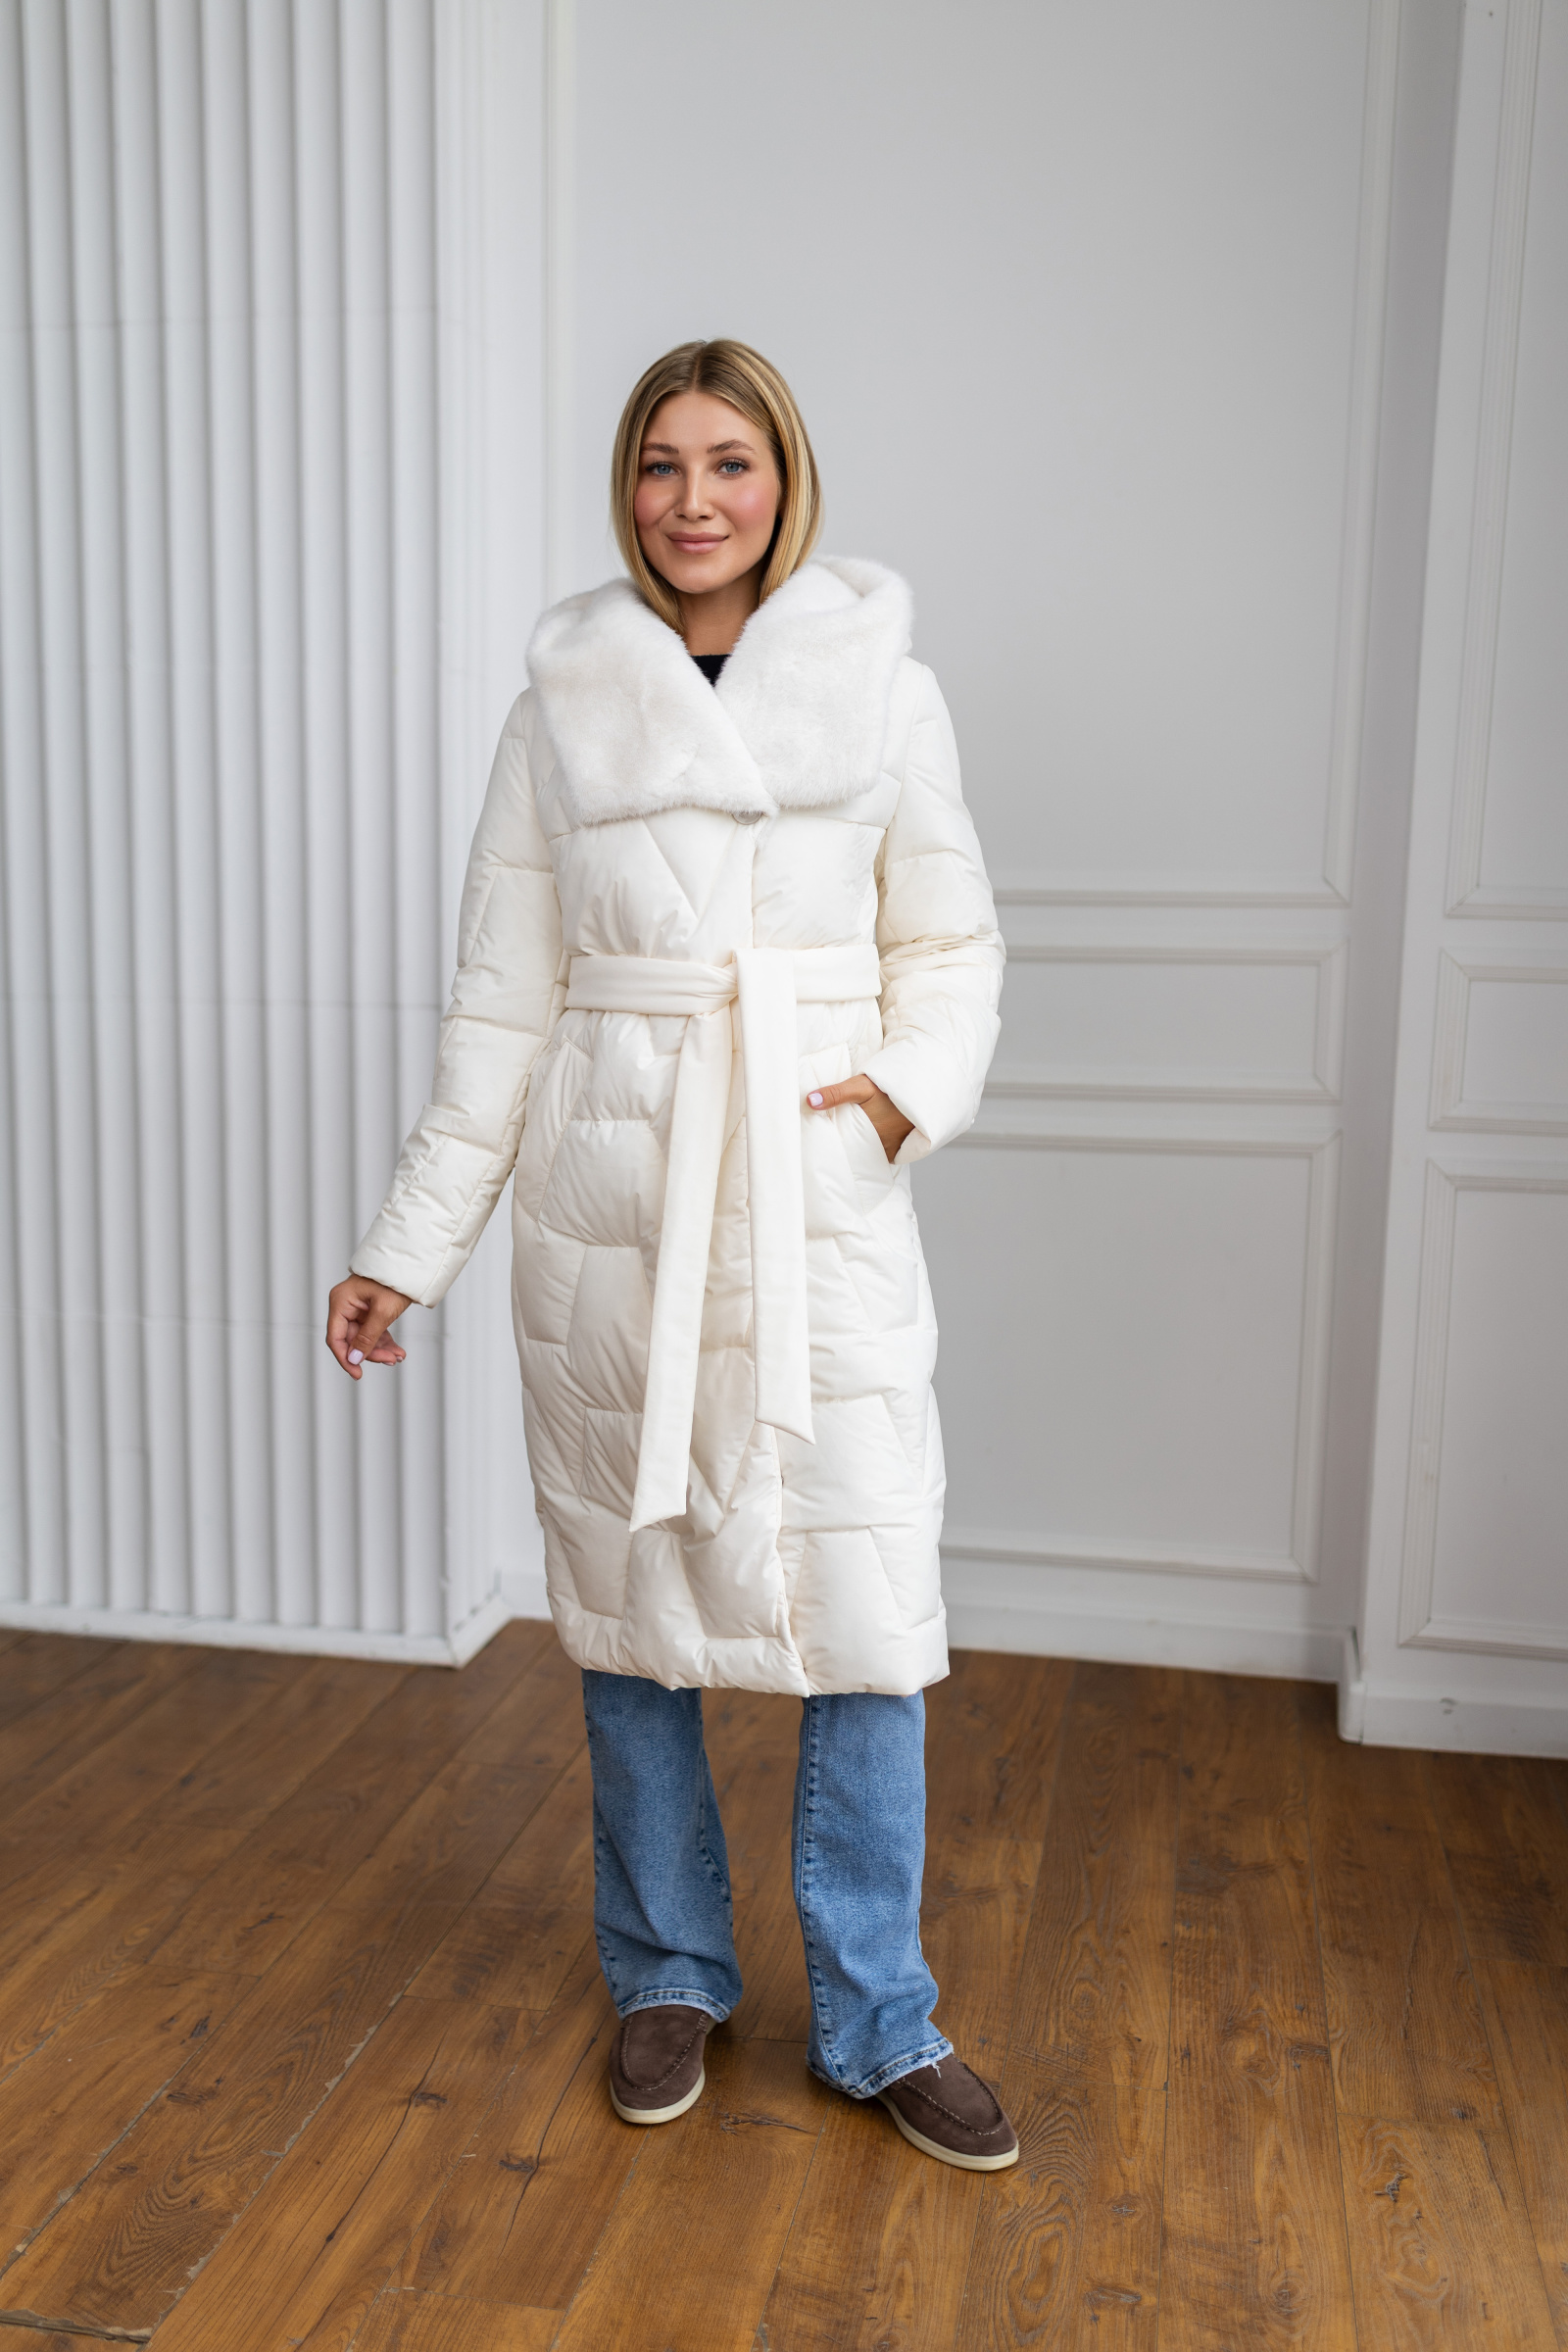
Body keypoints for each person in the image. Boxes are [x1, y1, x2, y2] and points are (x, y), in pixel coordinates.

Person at [326, 340, 1013, 2170]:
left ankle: (880, 2017)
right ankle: (666, 1973)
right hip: (614, 1201)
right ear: (625, 488)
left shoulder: (887, 687)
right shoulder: (559, 708)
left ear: (786, 483)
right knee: (632, 1622)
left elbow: (950, 946)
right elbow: (499, 1008)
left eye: (730, 462)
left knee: (866, 1619)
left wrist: (893, 1102)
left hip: (810, 1194)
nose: (693, 500)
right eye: (659, 464)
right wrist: (408, 1248)